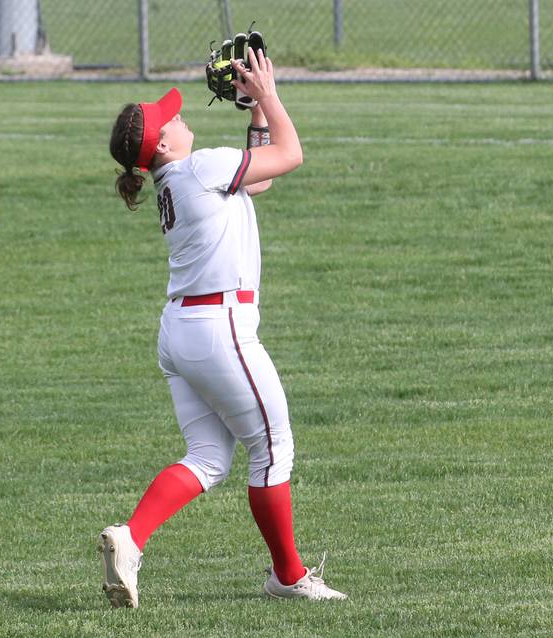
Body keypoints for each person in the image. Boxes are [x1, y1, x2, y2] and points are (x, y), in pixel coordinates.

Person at [101, 48, 347, 608]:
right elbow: (291, 156)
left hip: (180, 330)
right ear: (162, 144)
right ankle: (288, 575)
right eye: (172, 119)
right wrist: (267, 94)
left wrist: (254, 114)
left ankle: (130, 539)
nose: (182, 117)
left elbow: (256, 182)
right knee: (272, 449)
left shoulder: (178, 178)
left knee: (209, 458)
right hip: (220, 328)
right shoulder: (202, 166)